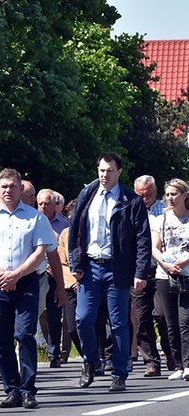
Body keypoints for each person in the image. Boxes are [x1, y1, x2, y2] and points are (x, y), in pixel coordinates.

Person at [0, 168, 57, 409]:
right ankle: (12, 389)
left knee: (25, 334)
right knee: (1, 338)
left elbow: (41, 252)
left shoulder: (35, 218)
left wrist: (17, 274)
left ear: (21, 188)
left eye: (12, 186)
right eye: (3, 186)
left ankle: (29, 389)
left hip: (26, 282)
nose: (8, 190)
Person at [69, 152, 151, 392]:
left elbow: (142, 239)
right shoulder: (87, 195)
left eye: (110, 171)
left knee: (118, 323)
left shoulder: (131, 201)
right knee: (82, 318)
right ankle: (91, 360)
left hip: (118, 268)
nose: (104, 175)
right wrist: (75, 263)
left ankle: (119, 372)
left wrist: (140, 272)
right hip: (91, 267)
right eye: (101, 170)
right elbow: (75, 232)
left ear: (119, 172)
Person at [133, 175, 171, 376]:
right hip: (138, 271)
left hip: (161, 269)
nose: (144, 199)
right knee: (141, 318)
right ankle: (151, 362)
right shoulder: (130, 210)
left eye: (148, 194)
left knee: (164, 315)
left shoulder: (166, 210)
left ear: (155, 191)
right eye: (140, 195)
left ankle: (170, 352)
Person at [151, 179, 189, 381]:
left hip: (186, 275)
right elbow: (155, 248)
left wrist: (185, 261)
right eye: (168, 194)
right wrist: (165, 265)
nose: (170, 198)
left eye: (174, 194)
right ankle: (179, 365)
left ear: (185, 195)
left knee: (185, 321)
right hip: (165, 275)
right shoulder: (161, 219)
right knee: (169, 322)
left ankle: (188, 363)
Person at [37, 188, 70, 367]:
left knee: (55, 314)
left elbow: (65, 251)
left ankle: (54, 353)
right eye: (40, 204)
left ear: (55, 206)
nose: (43, 207)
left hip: (55, 276)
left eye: (46, 204)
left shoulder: (64, 225)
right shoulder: (34, 221)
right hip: (38, 274)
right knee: (39, 315)